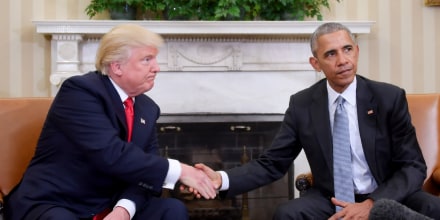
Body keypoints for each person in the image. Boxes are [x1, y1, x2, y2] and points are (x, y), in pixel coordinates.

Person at [195, 22, 440, 219]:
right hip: (330, 198)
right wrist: (222, 179)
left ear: (357, 51)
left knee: (434, 209)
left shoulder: (388, 97)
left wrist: (371, 204)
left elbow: (413, 165)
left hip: (389, 194)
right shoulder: (302, 105)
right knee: (287, 213)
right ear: (316, 63)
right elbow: (272, 163)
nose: (342, 60)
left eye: (347, 49)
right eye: (331, 54)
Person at [4, 24, 217, 220]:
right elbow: (111, 154)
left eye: (155, 59)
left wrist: (124, 210)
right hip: (58, 201)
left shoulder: (148, 109)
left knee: (172, 209)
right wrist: (181, 170)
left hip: (110, 203)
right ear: (117, 66)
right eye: (147, 60)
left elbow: (145, 174)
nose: (157, 68)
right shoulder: (80, 91)